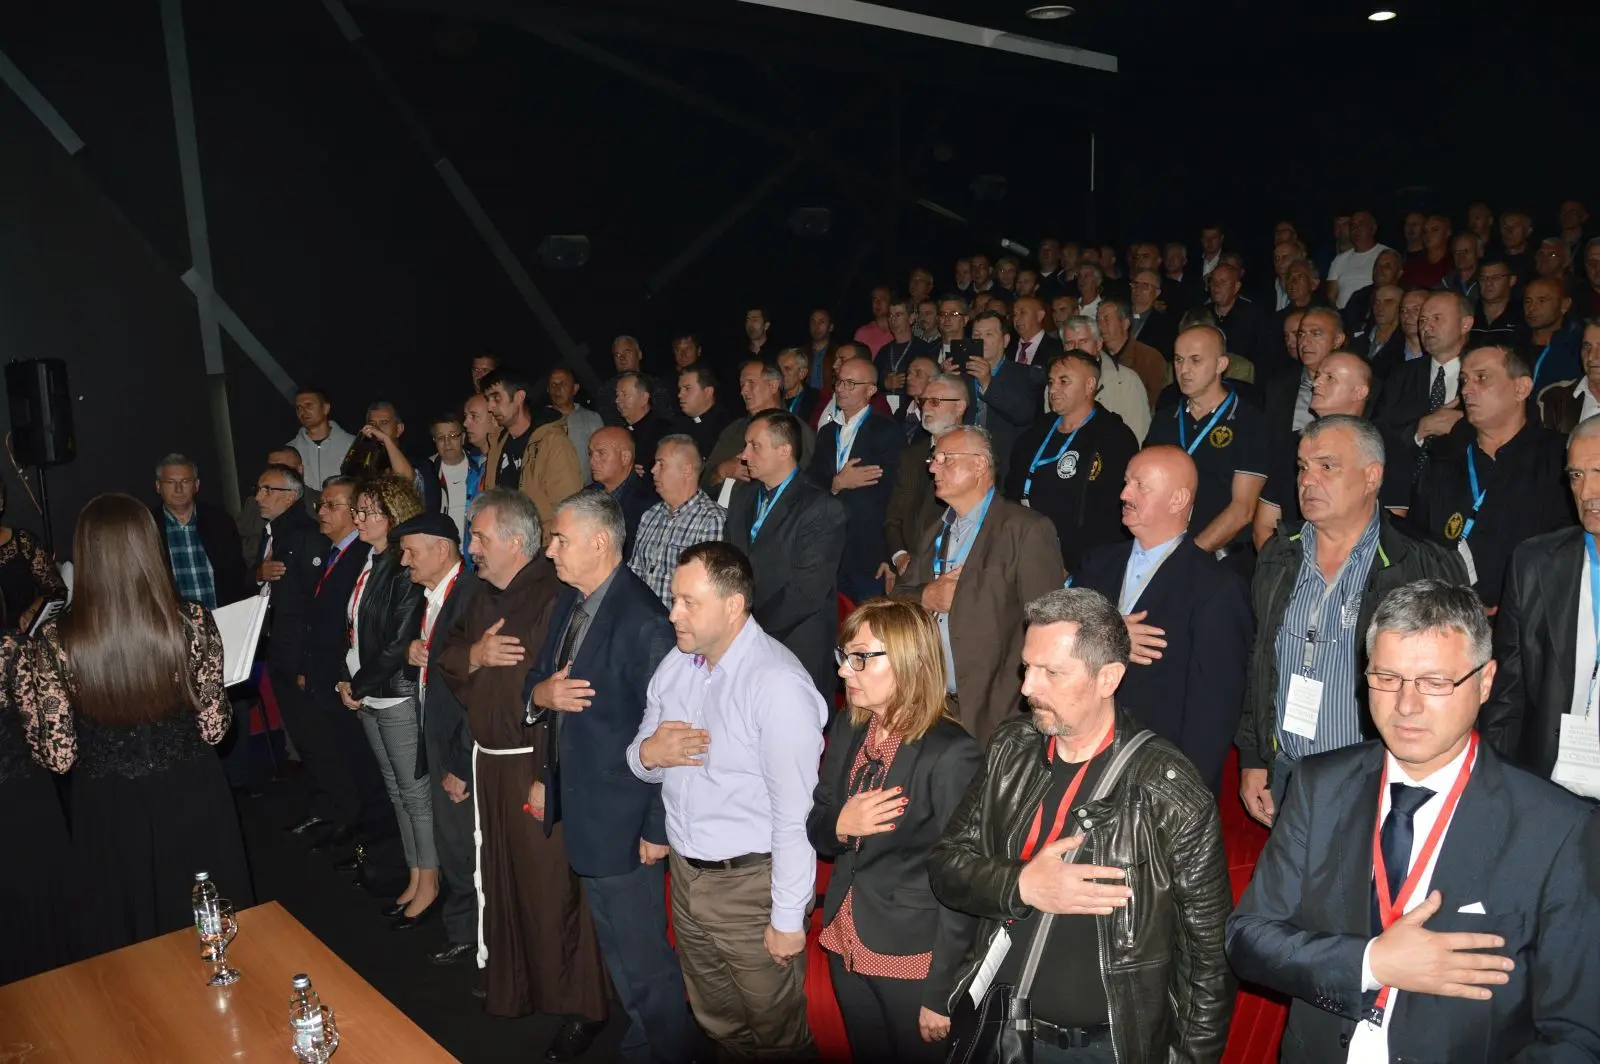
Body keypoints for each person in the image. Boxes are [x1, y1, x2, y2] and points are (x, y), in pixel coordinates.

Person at [1227, 580, 1600, 1062]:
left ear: (1486, 682)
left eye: (1435, 682)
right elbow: (1248, 938)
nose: (1406, 705)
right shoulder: (1319, 784)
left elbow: (1576, 1036)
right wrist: (1370, 963)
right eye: (1387, 678)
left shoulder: (1558, 828)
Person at [928, 587, 1235, 1064]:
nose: (1028, 687)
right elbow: (947, 867)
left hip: (1104, 1048)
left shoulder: (1167, 788)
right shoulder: (1011, 748)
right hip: (1000, 1029)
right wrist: (1022, 884)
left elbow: (1209, 958)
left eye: (1051, 672)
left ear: (1108, 677)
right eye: (1027, 667)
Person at [17, 493, 253, 956]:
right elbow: (214, 729)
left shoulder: (54, 639)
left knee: (128, 934)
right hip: (190, 789)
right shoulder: (191, 621)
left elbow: (59, 757)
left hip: (110, 802)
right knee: (207, 924)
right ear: (149, 546)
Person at [628, 541, 828, 1060]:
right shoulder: (678, 663)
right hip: (687, 878)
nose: (673, 614)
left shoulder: (776, 685)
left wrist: (787, 919)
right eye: (674, 599)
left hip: (750, 887)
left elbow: (795, 816)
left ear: (734, 605)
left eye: (689, 602)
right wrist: (650, 753)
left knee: (777, 1038)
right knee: (718, 1022)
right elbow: (640, 755)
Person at [524, 490, 696, 1064]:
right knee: (621, 955)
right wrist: (541, 696)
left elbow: (671, 734)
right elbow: (540, 682)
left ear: (599, 543)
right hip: (587, 812)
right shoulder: (573, 602)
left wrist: (656, 829)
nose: (550, 550)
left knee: (645, 962)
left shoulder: (644, 620)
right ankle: (645, 1042)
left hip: (627, 825)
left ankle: (670, 1051)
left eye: (560, 539)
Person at [434, 489, 610, 1046]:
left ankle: (578, 1002)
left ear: (514, 541)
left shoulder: (556, 596)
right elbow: (447, 654)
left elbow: (567, 692)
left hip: (534, 762)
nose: (472, 548)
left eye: (480, 537)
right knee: (503, 882)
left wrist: (546, 774)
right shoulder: (480, 595)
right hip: (490, 764)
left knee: (551, 889)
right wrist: (476, 656)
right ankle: (516, 985)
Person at [1237, 417, 1466, 826]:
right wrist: (1254, 755)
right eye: (1303, 467)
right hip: (1288, 769)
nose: (1307, 480)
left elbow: (1453, 685)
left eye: (1327, 466)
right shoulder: (1279, 554)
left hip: (1376, 778)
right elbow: (1259, 658)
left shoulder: (1418, 563)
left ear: (1371, 477)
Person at [807, 599, 983, 1062]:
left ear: (908, 661)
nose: (844, 671)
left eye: (861, 657)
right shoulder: (850, 727)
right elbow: (818, 823)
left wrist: (943, 990)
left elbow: (965, 884)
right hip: (846, 939)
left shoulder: (952, 754)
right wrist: (841, 825)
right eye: (845, 656)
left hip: (913, 960)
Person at [1070, 447, 1253, 792]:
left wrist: (1180, 793)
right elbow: (1057, 642)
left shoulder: (1216, 587)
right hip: (1081, 758)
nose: (1124, 494)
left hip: (1154, 778)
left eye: (1140, 485)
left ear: (1177, 499)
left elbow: (1214, 711)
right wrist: (1109, 634)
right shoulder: (1097, 563)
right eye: (1126, 482)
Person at [892, 426, 1062, 743]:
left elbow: (1048, 624)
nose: (933, 468)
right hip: (933, 703)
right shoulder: (935, 530)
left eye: (945, 459)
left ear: (979, 465)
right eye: (933, 459)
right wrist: (926, 596)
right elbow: (896, 598)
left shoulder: (1024, 529)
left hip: (995, 711)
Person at [1403, 341, 1571, 611]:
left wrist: (1513, 609)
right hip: (1446, 617)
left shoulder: (1560, 458)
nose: (1466, 389)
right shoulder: (1443, 457)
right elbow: (1416, 544)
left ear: (1521, 388)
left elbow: (1568, 551)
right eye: (1464, 380)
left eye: (1482, 378)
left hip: (1530, 616)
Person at [1481, 413, 1600, 796]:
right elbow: (1507, 693)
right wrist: (1494, 785)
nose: (1586, 492)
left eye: (1599, 472)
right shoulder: (1535, 563)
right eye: (1576, 475)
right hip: (1552, 788)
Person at [336, 477, 434, 927]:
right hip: (369, 691)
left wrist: (357, 686)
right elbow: (355, 633)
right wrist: (347, 680)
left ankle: (429, 882)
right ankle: (415, 876)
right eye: (357, 510)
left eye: (367, 511)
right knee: (396, 792)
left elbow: (397, 644)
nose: (358, 518)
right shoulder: (370, 560)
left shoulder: (401, 566)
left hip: (393, 694)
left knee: (415, 795)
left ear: (393, 517)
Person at [393, 512, 482, 967]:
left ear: (443, 550)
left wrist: (461, 762)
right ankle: (467, 932)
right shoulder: (432, 595)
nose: (404, 561)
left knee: (463, 846)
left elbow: (480, 690)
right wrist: (411, 652)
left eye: (411, 551)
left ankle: (477, 939)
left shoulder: (471, 596)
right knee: (451, 843)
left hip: (459, 745)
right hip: (439, 734)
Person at [291, 475, 388, 854]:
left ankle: (373, 839)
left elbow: (352, 625)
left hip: (347, 678)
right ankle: (356, 828)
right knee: (342, 757)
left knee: (363, 761)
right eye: (321, 504)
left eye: (333, 505)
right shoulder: (332, 553)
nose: (322, 512)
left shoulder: (362, 556)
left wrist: (346, 677)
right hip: (326, 674)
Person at [725, 410, 848, 697]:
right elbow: (729, 562)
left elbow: (806, 592)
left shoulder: (820, 507)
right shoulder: (743, 495)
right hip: (740, 634)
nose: (744, 455)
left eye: (755, 446)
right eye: (746, 445)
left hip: (795, 642)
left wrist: (749, 630)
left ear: (784, 451)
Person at [1143, 325, 1269, 578]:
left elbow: (1242, 509)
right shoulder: (1166, 419)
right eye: (1179, 360)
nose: (1184, 370)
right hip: (1161, 552)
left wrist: (1189, 555)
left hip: (1219, 561)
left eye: (1196, 360)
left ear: (1221, 364)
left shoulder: (1249, 421)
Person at [1002, 350, 1138, 571]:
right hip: (1027, 550)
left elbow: (1112, 512)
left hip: (1084, 563)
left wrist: (1074, 563)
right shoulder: (1035, 433)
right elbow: (1012, 491)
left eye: (1064, 381)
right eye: (1051, 382)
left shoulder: (1114, 438)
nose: (1053, 389)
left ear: (1089, 385)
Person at [1, 629, 72, 983]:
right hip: (19, 799)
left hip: (20, 798)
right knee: (41, 924)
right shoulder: (11, 648)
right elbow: (44, 740)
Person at [1252, 351, 1375, 548]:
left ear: (1359, 392)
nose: (1316, 383)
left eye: (1330, 378)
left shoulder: (1380, 449)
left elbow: (1387, 533)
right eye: (1317, 376)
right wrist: (1280, 564)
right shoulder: (1293, 445)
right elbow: (1264, 526)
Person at [809, 356, 903, 601]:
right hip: (827, 549)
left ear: (870, 390)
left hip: (869, 552)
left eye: (850, 383)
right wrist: (836, 483)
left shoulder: (887, 431)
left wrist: (889, 554)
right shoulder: (827, 433)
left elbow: (894, 496)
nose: (841, 388)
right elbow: (810, 483)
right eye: (839, 381)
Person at [881, 374, 968, 594]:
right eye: (923, 401)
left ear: (959, 407)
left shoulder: (974, 456)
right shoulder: (911, 454)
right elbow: (893, 516)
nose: (925, 408)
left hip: (952, 574)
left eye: (935, 401)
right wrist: (898, 556)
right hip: (907, 575)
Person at [480, 366, 584, 545]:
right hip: (504, 546)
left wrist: (550, 549)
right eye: (488, 400)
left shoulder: (552, 442)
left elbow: (569, 508)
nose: (490, 407)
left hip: (540, 549)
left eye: (496, 397)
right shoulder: (498, 442)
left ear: (519, 397)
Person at [629, 435, 726, 608]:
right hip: (641, 617)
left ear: (686, 470)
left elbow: (706, 591)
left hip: (677, 620)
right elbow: (634, 572)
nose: (653, 470)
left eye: (661, 464)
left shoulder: (712, 520)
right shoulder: (651, 514)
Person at [150, 453, 252, 609]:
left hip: (221, 616)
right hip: (171, 620)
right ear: (158, 486)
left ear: (196, 485)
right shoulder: (148, 525)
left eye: (185, 481)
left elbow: (237, 575)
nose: (178, 489)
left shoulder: (220, 522)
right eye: (170, 482)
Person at [0, 477, 66, 630]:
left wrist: (32, 611)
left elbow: (57, 590)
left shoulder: (23, 542)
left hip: (18, 638)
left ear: (1, 502)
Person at [587, 425, 657, 555]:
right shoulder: (586, 496)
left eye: (601, 453)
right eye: (590, 453)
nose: (592, 460)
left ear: (625, 457)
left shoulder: (647, 505)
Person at [288, 386, 357, 488]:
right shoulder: (290, 450)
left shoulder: (353, 445)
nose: (303, 411)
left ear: (325, 408)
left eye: (308, 405)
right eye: (299, 408)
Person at [546, 366, 603, 484]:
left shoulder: (591, 418)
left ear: (575, 388)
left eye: (563, 384)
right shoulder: (538, 419)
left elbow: (602, 455)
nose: (557, 388)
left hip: (584, 490)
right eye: (553, 384)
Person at [675, 362, 733, 459]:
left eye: (687, 389)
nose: (680, 395)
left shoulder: (728, 429)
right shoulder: (677, 426)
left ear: (708, 392)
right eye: (680, 389)